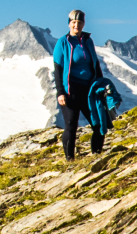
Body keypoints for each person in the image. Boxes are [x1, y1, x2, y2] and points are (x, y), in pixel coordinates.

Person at [51, 9, 121, 160]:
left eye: (79, 22)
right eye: (73, 22)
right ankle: (70, 160)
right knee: (71, 125)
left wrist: (102, 85)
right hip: (71, 90)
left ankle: (96, 155)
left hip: (89, 89)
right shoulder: (63, 42)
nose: (76, 25)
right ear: (69, 24)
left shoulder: (88, 41)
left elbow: (95, 65)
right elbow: (58, 69)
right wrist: (60, 92)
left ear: (83, 24)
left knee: (98, 123)